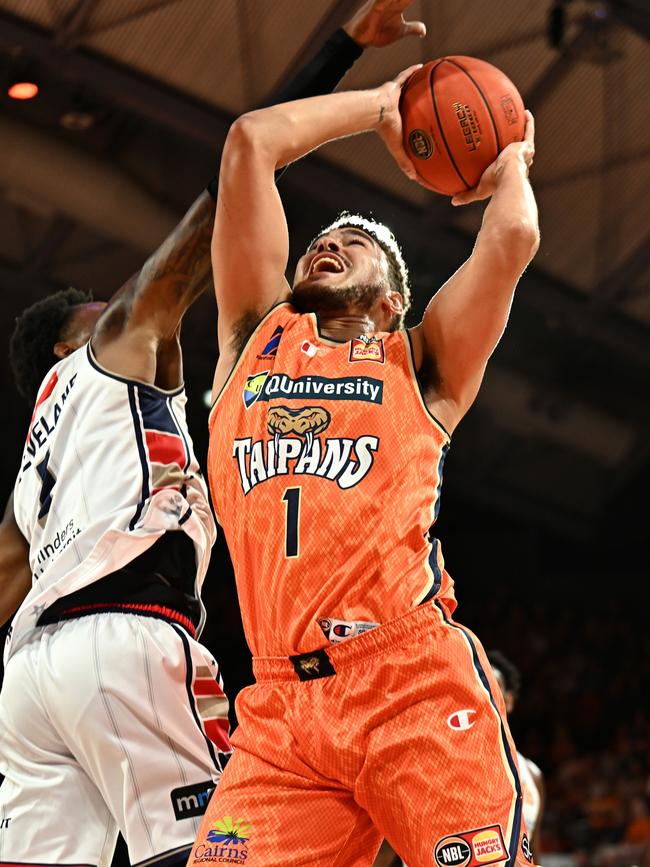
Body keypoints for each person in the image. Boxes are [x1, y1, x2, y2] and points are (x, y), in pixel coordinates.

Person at [0, 3, 424, 865]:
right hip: (124, 637)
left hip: (27, 683)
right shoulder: (116, 341)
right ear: (63, 338)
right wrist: (343, 60)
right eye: (98, 302)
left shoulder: (33, 467)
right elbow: (219, 201)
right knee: (222, 850)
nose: (124, 299)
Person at [191, 53, 540, 867]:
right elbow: (249, 144)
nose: (328, 244)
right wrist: (384, 104)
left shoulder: (420, 363)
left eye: (354, 243)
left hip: (407, 680)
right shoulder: (251, 339)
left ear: (391, 299)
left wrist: (510, 160)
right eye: (321, 240)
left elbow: (515, 235)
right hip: (280, 708)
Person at [489, 650, 546, 863]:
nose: (485, 694)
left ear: (509, 700)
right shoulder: (443, 760)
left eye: (493, 686)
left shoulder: (533, 776)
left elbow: (533, 852)